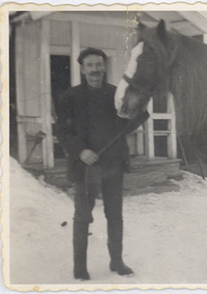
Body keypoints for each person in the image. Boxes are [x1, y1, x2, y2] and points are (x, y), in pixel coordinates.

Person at [55, 48, 148, 280]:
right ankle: (80, 267)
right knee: (83, 217)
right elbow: (63, 131)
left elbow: (127, 126)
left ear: (104, 67)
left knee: (115, 216)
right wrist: (80, 151)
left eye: (99, 64)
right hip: (87, 168)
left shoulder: (116, 94)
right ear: (82, 69)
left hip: (114, 166)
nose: (95, 69)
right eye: (90, 65)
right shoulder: (70, 96)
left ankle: (117, 262)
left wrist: (139, 108)